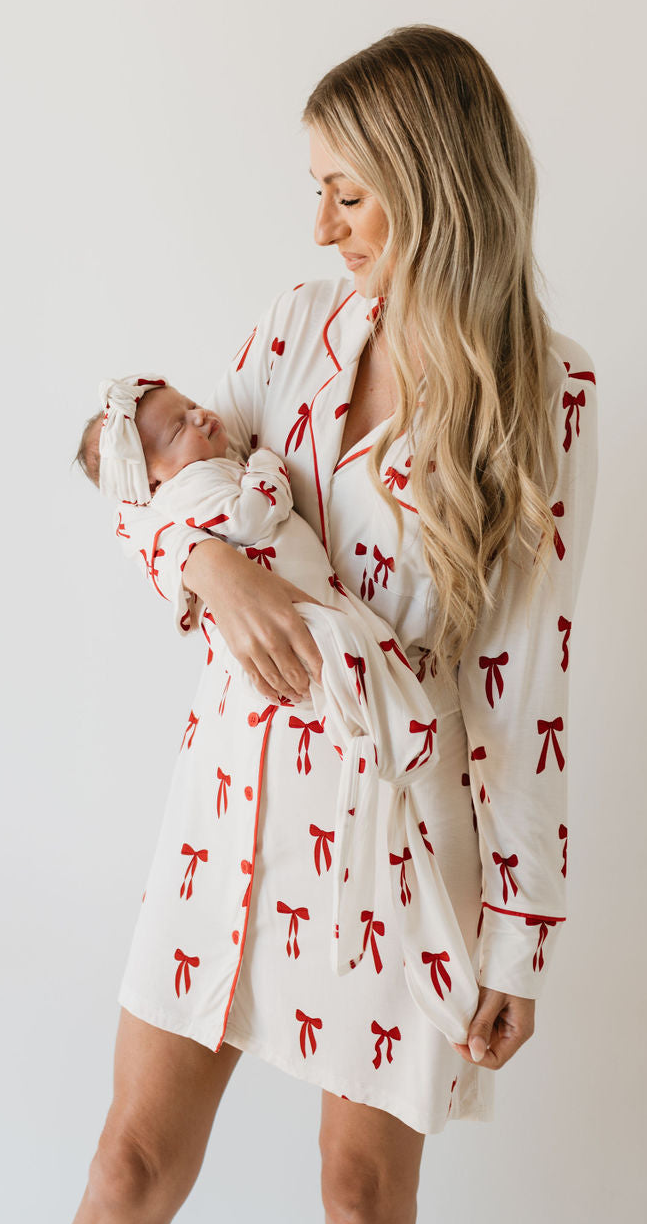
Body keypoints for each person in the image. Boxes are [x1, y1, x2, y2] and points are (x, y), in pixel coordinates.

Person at [42, 24, 599, 1224]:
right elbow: (143, 471)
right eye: (318, 188)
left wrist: (523, 926)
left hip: (390, 837)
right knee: (131, 1159)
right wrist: (216, 573)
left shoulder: (548, 392)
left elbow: (528, 680)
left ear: (432, 178)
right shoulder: (297, 327)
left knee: (359, 1197)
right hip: (228, 805)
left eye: (348, 189)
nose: (323, 224)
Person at [74, 376, 481, 1036]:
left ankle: (399, 740)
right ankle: (402, 741)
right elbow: (257, 513)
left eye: (187, 405)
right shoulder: (203, 489)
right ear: (148, 476)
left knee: (371, 668)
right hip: (305, 623)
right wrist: (264, 467)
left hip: (318, 612)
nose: (201, 414)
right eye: (177, 427)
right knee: (363, 671)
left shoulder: (194, 478)